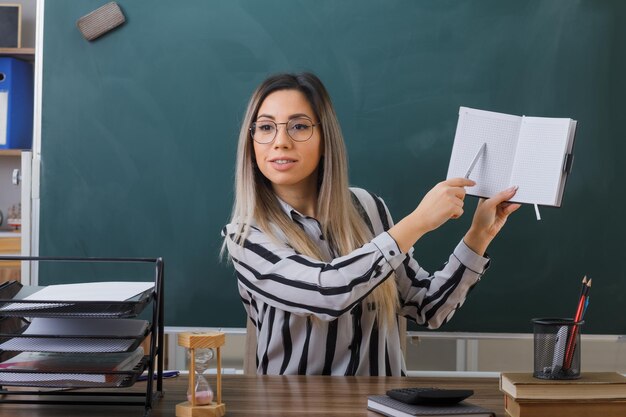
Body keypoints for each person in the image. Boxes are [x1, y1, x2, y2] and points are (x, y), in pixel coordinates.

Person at [222, 72, 520, 376]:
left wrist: (479, 235)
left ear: (326, 139)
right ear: (252, 141)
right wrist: (418, 222)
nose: (281, 142)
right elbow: (328, 294)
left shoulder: (368, 208)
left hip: (383, 405)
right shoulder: (246, 236)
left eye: (299, 126)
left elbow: (429, 307)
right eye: (266, 127)